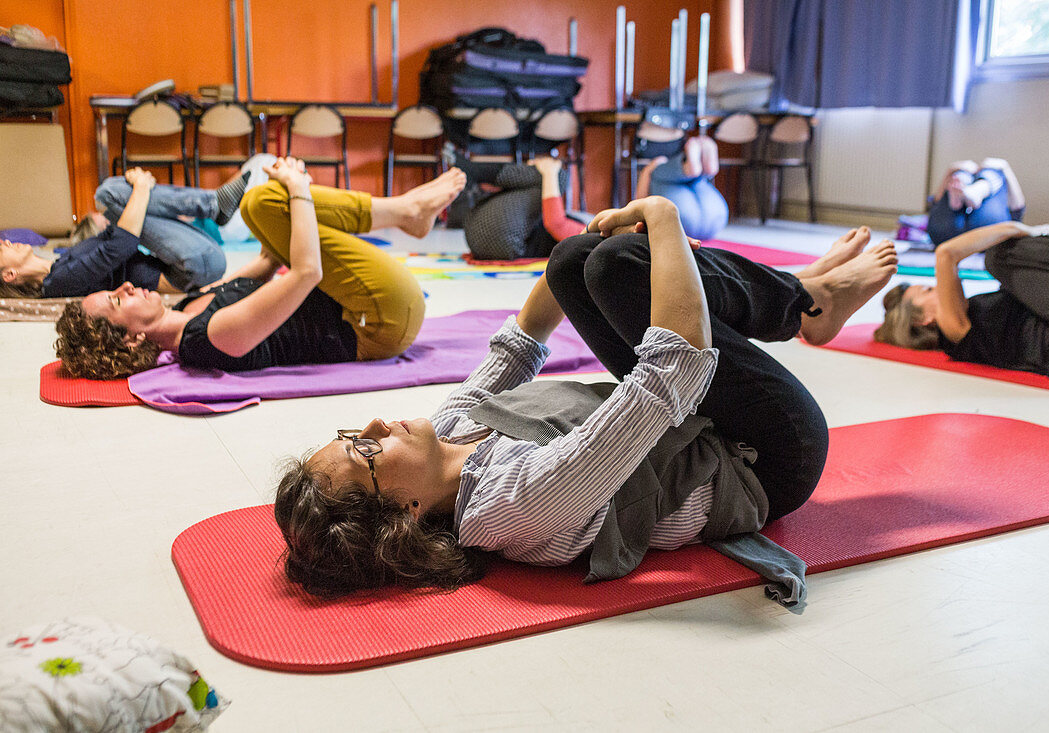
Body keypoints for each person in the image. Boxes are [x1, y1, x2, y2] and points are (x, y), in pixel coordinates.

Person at [274, 197, 898, 598]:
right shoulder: (512, 506)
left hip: (698, 420)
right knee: (627, 260)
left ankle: (805, 294)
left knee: (580, 260)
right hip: (765, 457)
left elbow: (517, 347)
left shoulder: (451, 438)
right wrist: (665, 221)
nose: (378, 423)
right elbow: (670, 376)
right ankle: (806, 300)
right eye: (365, 450)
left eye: (357, 429)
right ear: (406, 512)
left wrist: (569, 263)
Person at [53, 157, 466, 379]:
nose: (125, 286)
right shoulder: (206, 340)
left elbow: (269, 261)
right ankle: (405, 211)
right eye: (115, 300)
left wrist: (290, 191)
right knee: (267, 203)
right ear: (131, 340)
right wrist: (299, 191)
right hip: (377, 322)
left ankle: (406, 212)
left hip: (358, 302)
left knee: (258, 204)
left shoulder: (189, 308)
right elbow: (306, 273)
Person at [875, 221, 1049, 380]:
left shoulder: (979, 310)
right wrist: (1024, 229)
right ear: (923, 319)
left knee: (1017, 265)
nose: (938, 287)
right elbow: (946, 254)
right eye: (928, 290)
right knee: (1000, 258)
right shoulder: (954, 337)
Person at [0, 167, 241, 299]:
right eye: (2, 248)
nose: (8, 242)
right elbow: (122, 245)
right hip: (194, 270)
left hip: (196, 257)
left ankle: (214, 205)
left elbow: (115, 236)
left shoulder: (60, 263)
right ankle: (213, 204)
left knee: (109, 195)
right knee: (108, 194)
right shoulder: (58, 283)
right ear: (10, 275)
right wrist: (142, 188)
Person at [636, 135, 729, 242]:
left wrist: (649, 169)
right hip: (716, 221)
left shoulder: (658, 177)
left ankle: (690, 168)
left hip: (684, 224)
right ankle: (697, 169)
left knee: (656, 169)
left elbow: (639, 201)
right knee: (696, 179)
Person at [926, 158, 1025, 246]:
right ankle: (980, 188)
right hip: (988, 236)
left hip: (943, 236)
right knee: (994, 172)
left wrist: (952, 170)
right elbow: (1018, 207)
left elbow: (936, 203)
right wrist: (1004, 168)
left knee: (961, 173)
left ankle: (964, 182)